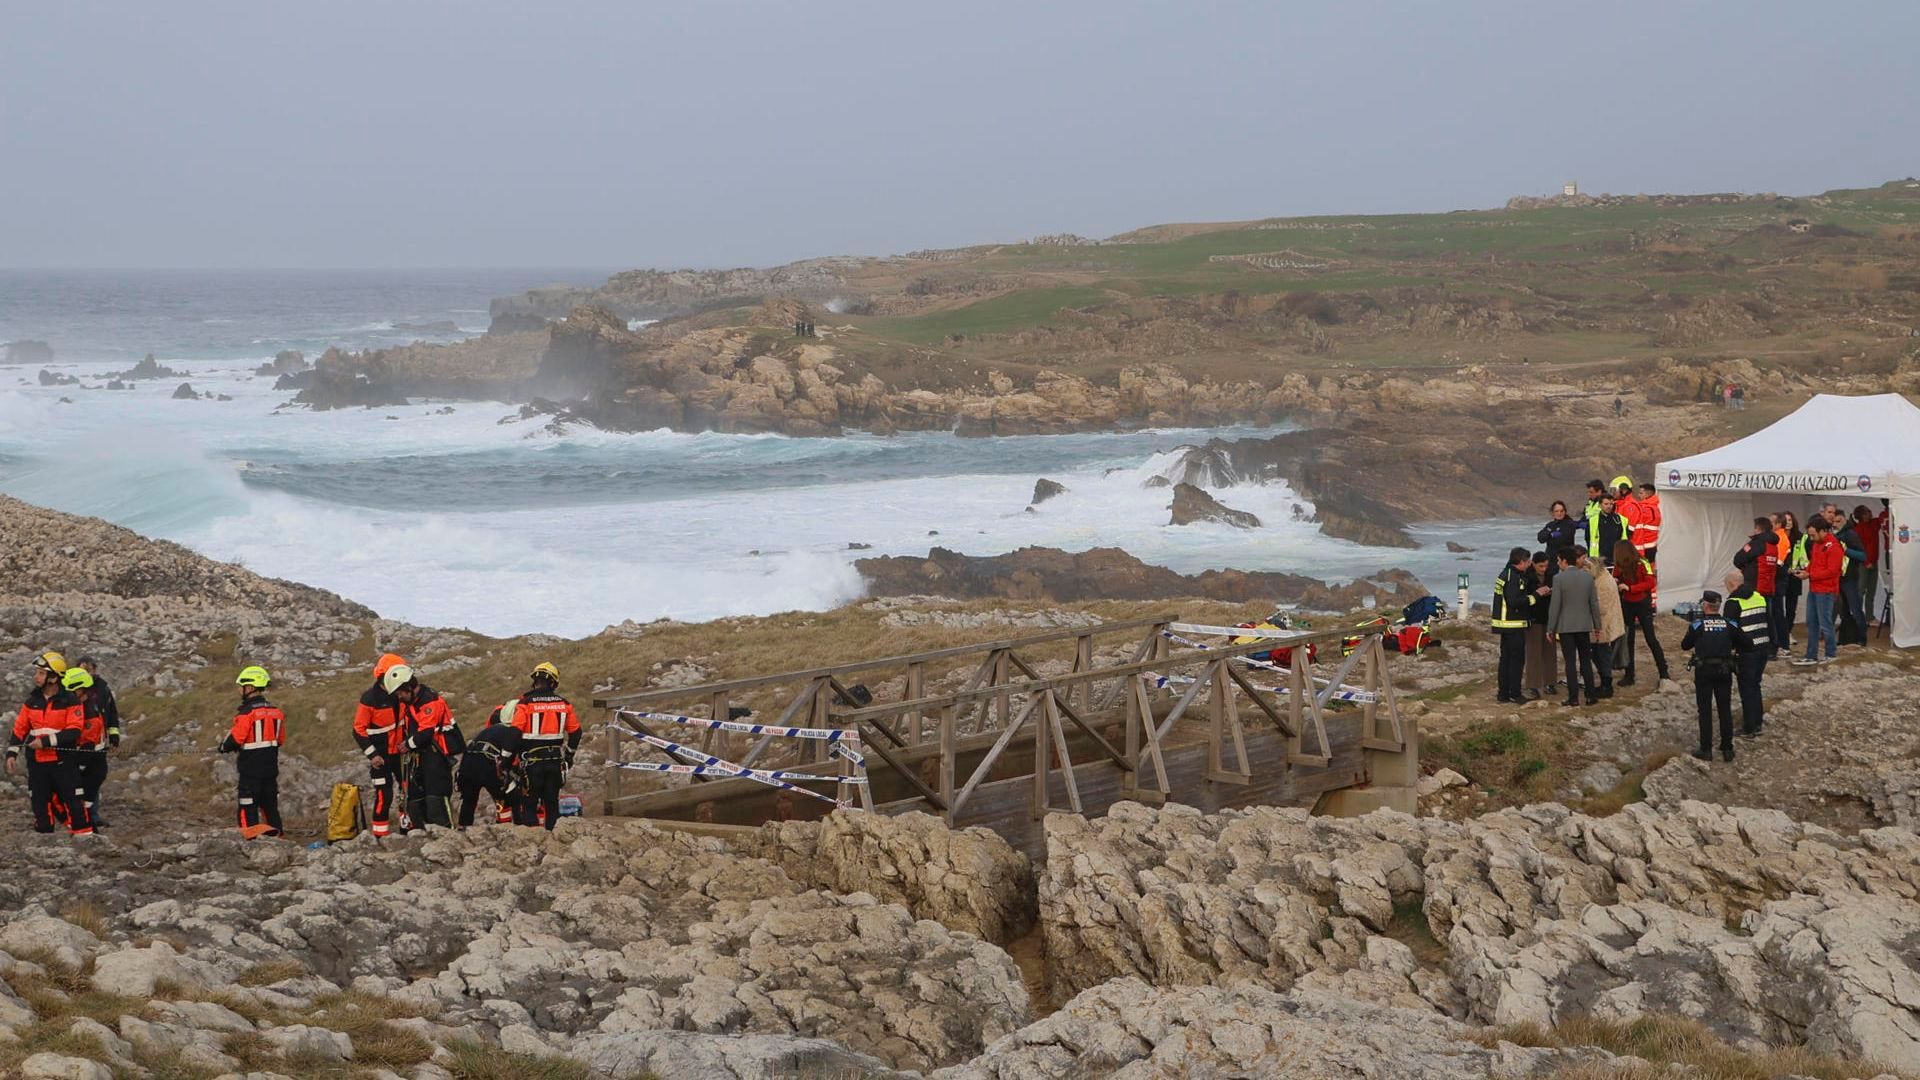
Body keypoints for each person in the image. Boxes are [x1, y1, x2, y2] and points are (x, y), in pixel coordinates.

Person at [6, 652, 94, 837]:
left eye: (40, 673)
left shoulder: (71, 701)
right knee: (40, 805)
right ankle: (46, 843)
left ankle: (86, 841)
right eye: (37, 672)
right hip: (37, 764)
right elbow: (20, 729)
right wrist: (11, 754)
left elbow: (74, 731)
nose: (36, 677)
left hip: (64, 763)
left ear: (53, 678)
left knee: (74, 803)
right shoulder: (32, 701)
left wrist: (45, 742)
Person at [387, 664, 464, 829]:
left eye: (400, 692)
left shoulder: (430, 701)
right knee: (415, 801)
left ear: (408, 686)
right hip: (421, 756)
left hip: (437, 754)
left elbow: (426, 733)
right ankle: (422, 833)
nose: (399, 697)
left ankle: (445, 835)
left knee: (435, 799)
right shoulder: (412, 703)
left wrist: (407, 745)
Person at [1682, 590, 1751, 762]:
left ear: (1705, 605)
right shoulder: (1730, 624)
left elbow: (1684, 645)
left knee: (1704, 710)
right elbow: (1748, 643)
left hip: (1704, 671)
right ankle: (1727, 749)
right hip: (1724, 670)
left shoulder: (1697, 625)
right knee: (1724, 708)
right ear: (1718, 606)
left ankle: (1706, 749)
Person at [511, 662, 581, 829]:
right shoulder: (564, 704)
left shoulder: (525, 703)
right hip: (555, 761)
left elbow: (514, 733)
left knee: (529, 804)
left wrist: (507, 759)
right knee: (551, 804)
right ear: (554, 683)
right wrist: (569, 755)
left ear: (534, 681)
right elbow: (576, 732)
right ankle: (552, 839)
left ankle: (533, 841)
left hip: (532, 763)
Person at [217, 666, 284, 839]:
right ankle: (278, 840)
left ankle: (251, 842)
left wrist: (224, 747)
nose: (239, 690)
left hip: (250, 773)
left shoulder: (246, 714)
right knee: (270, 807)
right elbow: (280, 740)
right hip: (270, 771)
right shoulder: (276, 712)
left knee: (248, 808)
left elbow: (236, 739)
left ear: (250, 687)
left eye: (242, 686)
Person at [353, 653, 409, 838]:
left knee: (406, 791)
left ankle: (406, 830)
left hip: (400, 754)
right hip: (381, 757)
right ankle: (379, 836)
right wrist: (373, 755)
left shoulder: (401, 695)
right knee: (384, 795)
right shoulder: (370, 699)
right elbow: (358, 730)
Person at [61, 667, 116, 830]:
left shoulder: (89, 713)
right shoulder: (83, 705)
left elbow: (87, 742)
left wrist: (77, 766)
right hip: (88, 761)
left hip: (90, 763)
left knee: (84, 798)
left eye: (71, 690)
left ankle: (89, 827)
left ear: (82, 689)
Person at [1546, 549, 1599, 706]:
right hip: (1584, 625)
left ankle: (1573, 697)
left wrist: (1551, 628)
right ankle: (1590, 696)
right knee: (1585, 660)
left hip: (1566, 626)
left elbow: (1555, 606)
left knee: (1570, 662)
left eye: (1558, 560)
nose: (1557, 563)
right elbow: (1594, 604)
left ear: (1564, 561)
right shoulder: (1588, 577)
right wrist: (1597, 625)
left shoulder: (1558, 579)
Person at [1613, 540, 1670, 686]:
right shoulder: (1619, 566)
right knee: (1628, 641)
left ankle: (1664, 673)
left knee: (1650, 638)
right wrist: (1616, 583)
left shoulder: (1642, 562)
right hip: (1627, 604)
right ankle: (1629, 675)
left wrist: (1631, 588)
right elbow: (1616, 578)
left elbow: (1651, 583)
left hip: (1642, 602)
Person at [458, 702, 524, 827]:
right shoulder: (512, 732)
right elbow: (509, 758)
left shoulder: (490, 730)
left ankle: (463, 829)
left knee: (469, 801)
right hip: (487, 764)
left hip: (467, 763)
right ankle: (511, 828)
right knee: (510, 796)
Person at [1723, 570, 1771, 738]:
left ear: (1731, 584)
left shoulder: (1733, 602)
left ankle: (1749, 727)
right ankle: (1757, 722)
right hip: (1763, 647)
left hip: (1747, 651)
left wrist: (1728, 652)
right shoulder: (1758, 596)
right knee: (1755, 685)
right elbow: (1769, 621)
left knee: (1747, 688)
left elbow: (1730, 631)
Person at [1793, 517, 1843, 665]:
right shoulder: (1816, 544)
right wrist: (1805, 572)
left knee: (1825, 623)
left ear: (1823, 531)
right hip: (1815, 589)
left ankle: (1831, 653)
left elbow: (1833, 571)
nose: (1811, 538)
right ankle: (1811, 655)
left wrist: (1810, 575)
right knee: (1811, 622)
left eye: (1814, 534)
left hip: (1826, 590)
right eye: (1810, 535)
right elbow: (1814, 564)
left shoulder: (1834, 546)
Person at [1492, 547, 1534, 704]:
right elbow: (1514, 601)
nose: (1529, 564)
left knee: (1506, 660)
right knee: (1516, 660)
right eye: (1528, 561)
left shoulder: (1507, 573)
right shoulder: (1512, 577)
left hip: (1505, 624)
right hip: (1512, 624)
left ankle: (1503, 693)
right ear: (1521, 561)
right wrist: (1535, 596)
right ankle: (1514, 693)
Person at [1588, 553, 1625, 699]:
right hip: (1606, 623)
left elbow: (1601, 607)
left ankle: (1606, 685)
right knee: (1599, 654)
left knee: (1601, 654)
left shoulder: (1602, 582)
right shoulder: (1604, 577)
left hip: (1604, 625)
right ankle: (1605, 683)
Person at [1831, 508, 1869, 647]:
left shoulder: (1851, 534)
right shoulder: (1833, 535)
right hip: (1838, 578)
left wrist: (1846, 550)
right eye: (1833, 521)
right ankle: (1846, 638)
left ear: (1845, 520)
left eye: (1838, 521)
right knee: (1844, 611)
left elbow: (1863, 556)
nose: (1835, 524)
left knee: (1856, 609)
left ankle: (1862, 639)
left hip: (1850, 578)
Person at [1522, 551, 1555, 700]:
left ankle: (1550, 682)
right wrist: (1537, 594)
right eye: (1541, 566)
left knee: (1550, 651)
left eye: (1546, 566)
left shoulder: (1551, 575)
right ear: (1533, 564)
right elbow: (1524, 599)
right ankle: (1533, 685)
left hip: (1548, 617)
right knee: (1533, 653)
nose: (1543, 569)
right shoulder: (1526, 577)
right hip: (1533, 618)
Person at [1732, 517, 1778, 609]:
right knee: (1768, 615)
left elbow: (1738, 559)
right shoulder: (1773, 545)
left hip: (1754, 586)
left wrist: (1744, 567)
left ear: (1758, 528)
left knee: (1755, 614)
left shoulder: (1757, 543)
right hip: (1768, 586)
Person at [1856, 503, 1888, 630]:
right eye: (1868, 511)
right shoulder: (1858, 529)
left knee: (1871, 591)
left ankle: (1869, 617)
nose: (1871, 513)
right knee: (1861, 590)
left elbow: (1883, 518)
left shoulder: (1874, 523)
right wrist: (1866, 561)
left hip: (1873, 562)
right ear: (1863, 515)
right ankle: (1858, 616)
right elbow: (1858, 547)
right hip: (1864, 564)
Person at [1778, 510, 1805, 654]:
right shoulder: (1777, 536)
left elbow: (1804, 555)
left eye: (1790, 520)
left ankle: (1788, 632)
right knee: (1778, 606)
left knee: (1791, 606)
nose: (1788, 522)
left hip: (1794, 576)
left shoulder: (1800, 537)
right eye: (1786, 520)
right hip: (1780, 575)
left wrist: (1799, 568)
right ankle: (1780, 633)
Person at [1536, 502, 1580, 583]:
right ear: (1553, 513)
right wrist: (1551, 535)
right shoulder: (1550, 525)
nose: (1559, 513)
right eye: (1556, 511)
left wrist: (1549, 535)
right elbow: (1540, 538)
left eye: (1561, 511)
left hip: (1566, 561)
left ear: (1565, 512)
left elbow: (1564, 537)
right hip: (1551, 562)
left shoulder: (1570, 524)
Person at [1632, 482, 1662, 563]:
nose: (1638, 495)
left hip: (1645, 546)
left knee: (1645, 570)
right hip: (1651, 545)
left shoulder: (1646, 509)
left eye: (1641, 493)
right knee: (1649, 569)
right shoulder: (1655, 508)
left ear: (1648, 494)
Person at [1579, 481, 1607, 561]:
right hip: (1590, 537)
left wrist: (1587, 524)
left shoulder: (1606, 503)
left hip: (1600, 537)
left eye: (1591, 492)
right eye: (1588, 492)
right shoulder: (1590, 503)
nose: (1589, 494)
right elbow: (1585, 516)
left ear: (1599, 491)